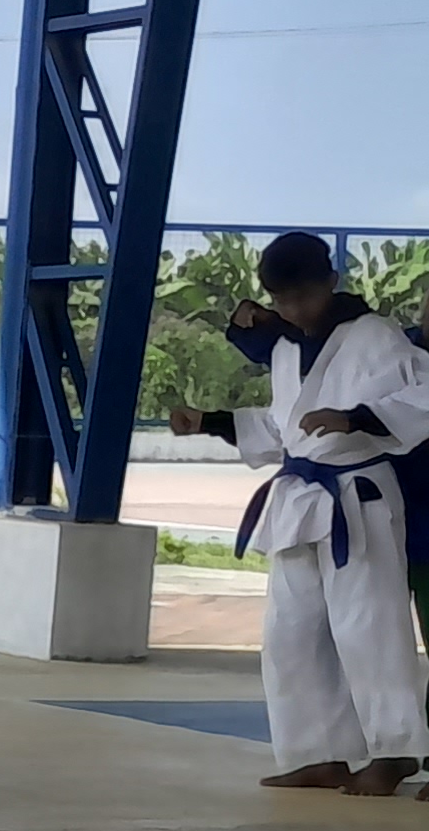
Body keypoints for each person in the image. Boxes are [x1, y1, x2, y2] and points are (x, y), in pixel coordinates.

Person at [167, 230, 429, 794]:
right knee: (291, 632)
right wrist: (210, 422)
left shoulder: (375, 334)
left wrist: (356, 419)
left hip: (359, 493)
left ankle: (395, 750)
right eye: (282, 301)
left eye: (304, 297)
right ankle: (319, 751)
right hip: (299, 498)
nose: (293, 310)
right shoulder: (286, 348)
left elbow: (422, 395)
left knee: (369, 625)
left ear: (331, 283)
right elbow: (284, 427)